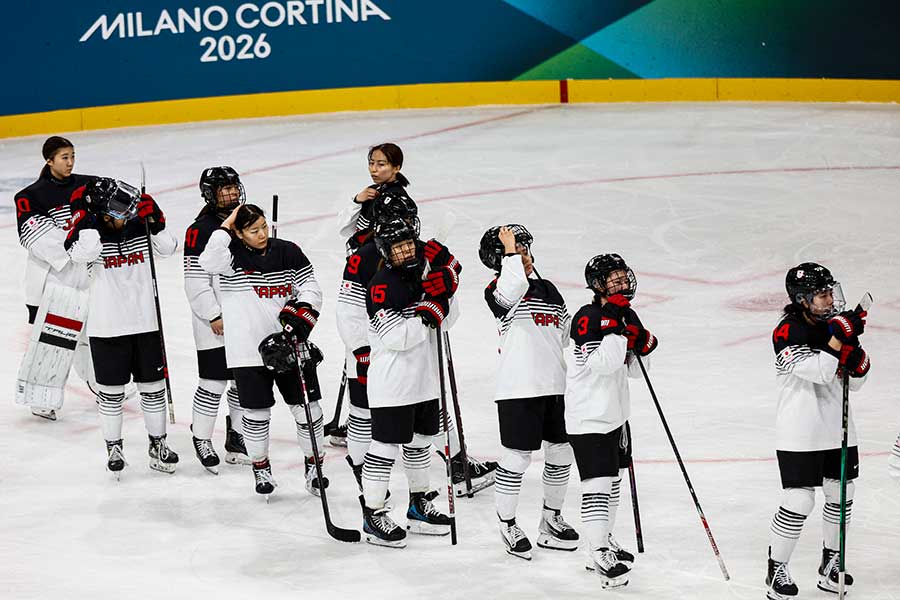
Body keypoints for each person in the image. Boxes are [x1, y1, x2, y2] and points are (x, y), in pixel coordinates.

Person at [199, 203, 327, 498]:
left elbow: (310, 286)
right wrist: (224, 226)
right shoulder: (229, 255)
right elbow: (208, 261)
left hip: (290, 346)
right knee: (256, 414)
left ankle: (314, 466)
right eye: (253, 230)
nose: (261, 234)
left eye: (264, 227)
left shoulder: (288, 251)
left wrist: (302, 316)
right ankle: (261, 467)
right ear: (239, 233)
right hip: (246, 352)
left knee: (309, 410)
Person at [766, 263, 870, 600]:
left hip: (839, 428)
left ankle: (830, 564)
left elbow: (853, 383)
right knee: (799, 499)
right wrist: (839, 338)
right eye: (822, 294)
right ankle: (776, 568)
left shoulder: (831, 327)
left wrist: (857, 363)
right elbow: (821, 372)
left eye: (830, 291)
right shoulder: (787, 331)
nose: (830, 299)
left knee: (842, 494)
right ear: (802, 300)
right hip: (800, 430)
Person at [66, 178, 179, 476]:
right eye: (119, 205)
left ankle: (158, 444)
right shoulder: (85, 235)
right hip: (107, 328)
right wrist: (84, 219)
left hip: (146, 324)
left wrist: (156, 220)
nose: (128, 209)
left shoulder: (139, 225)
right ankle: (114, 447)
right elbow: (85, 253)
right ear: (100, 211)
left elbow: (168, 248)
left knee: (153, 390)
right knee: (111, 395)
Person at [479, 224, 576, 560]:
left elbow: (564, 334)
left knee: (561, 453)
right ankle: (507, 524)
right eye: (516, 252)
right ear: (501, 259)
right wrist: (511, 255)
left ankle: (551, 519)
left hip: (555, 386)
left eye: (526, 251)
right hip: (518, 388)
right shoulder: (498, 290)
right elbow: (513, 285)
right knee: (518, 458)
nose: (525, 257)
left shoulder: (548, 289)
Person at [359, 218, 458, 547]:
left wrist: (447, 294)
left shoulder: (422, 273)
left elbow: (448, 321)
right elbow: (396, 337)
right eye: (398, 248)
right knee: (385, 447)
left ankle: (418, 504)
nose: (406, 251)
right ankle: (373, 514)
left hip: (425, 379)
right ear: (386, 251)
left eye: (409, 244)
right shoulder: (381, 285)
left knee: (420, 442)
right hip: (393, 383)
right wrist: (429, 311)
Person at [566, 253, 657, 588]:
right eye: (614, 280)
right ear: (598, 285)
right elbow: (602, 364)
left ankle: (603, 538)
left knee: (614, 482)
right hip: (589, 418)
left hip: (616, 417)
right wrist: (620, 332)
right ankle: (598, 550)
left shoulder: (623, 313)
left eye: (623, 277)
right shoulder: (587, 317)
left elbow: (633, 371)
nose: (622, 283)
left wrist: (642, 347)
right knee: (598, 486)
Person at [14, 136, 96, 420]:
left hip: (87, 275)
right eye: (64, 157)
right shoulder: (29, 196)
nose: (71, 162)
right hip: (50, 278)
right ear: (49, 160)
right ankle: (41, 397)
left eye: (73, 155)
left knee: (91, 333)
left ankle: (100, 384)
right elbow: (36, 238)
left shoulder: (88, 184)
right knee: (51, 338)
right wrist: (78, 246)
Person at [183, 166, 251, 473]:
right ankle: (201, 437)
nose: (232, 193)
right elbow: (195, 280)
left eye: (233, 186)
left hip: (245, 315)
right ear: (210, 194)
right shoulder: (199, 229)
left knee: (242, 380)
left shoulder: (247, 219)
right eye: (224, 189)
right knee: (213, 382)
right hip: (214, 319)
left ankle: (237, 436)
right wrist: (213, 314)